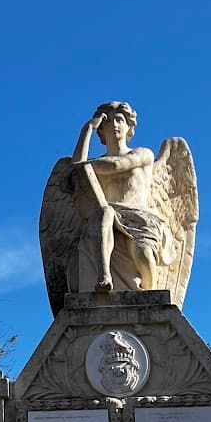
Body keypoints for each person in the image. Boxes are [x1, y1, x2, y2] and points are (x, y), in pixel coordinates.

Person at [68, 102, 172, 292]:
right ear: (101, 129)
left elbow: (116, 165)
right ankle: (104, 276)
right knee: (104, 213)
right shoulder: (92, 165)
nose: (114, 125)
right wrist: (87, 129)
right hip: (108, 216)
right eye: (108, 121)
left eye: (119, 120)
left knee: (143, 253)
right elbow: (74, 174)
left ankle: (149, 291)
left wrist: (83, 167)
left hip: (140, 218)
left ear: (129, 126)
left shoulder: (143, 153)